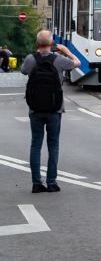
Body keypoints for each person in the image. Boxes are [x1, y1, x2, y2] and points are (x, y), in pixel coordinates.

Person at [22, 30, 79, 193]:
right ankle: (52, 182)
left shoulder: (30, 59)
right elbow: (78, 63)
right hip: (55, 108)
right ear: (52, 44)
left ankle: (36, 183)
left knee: (36, 144)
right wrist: (67, 52)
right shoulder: (59, 59)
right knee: (53, 145)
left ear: (37, 43)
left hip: (35, 108)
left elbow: (23, 71)